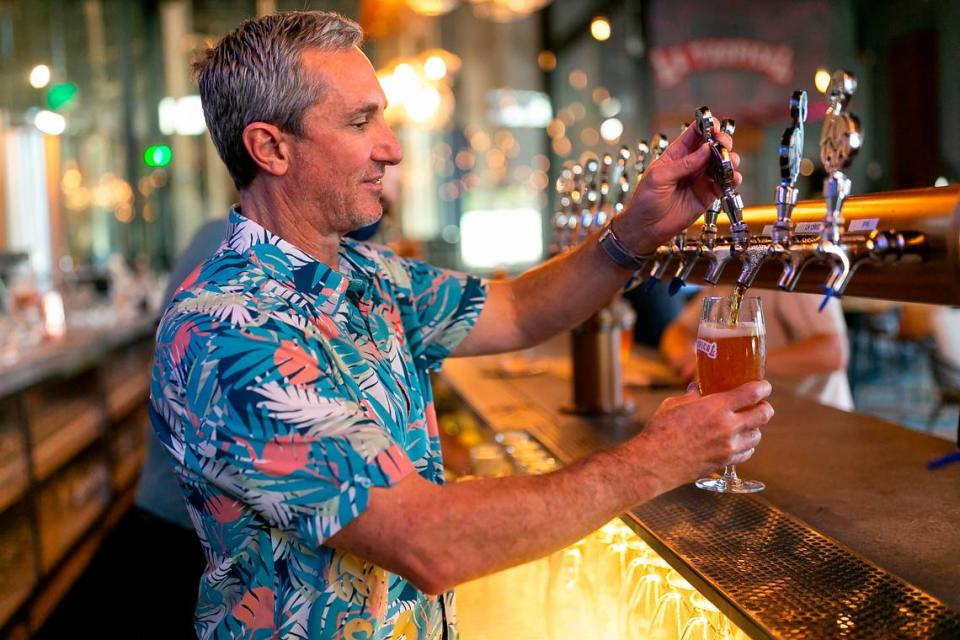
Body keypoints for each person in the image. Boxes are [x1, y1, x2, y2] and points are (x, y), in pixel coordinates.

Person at [149, 11, 773, 639]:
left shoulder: (365, 273)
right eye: (360, 121)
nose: (391, 147)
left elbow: (518, 309)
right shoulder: (225, 330)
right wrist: (661, 457)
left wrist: (634, 232)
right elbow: (428, 541)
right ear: (271, 147)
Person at [661, 287, 854, 411]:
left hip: (816, 414)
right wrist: (689, 359)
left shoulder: (795, 270)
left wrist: (739, 365)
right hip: (762, 413)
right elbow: (677, 331)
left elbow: (834, 352)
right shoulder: (731, 273)